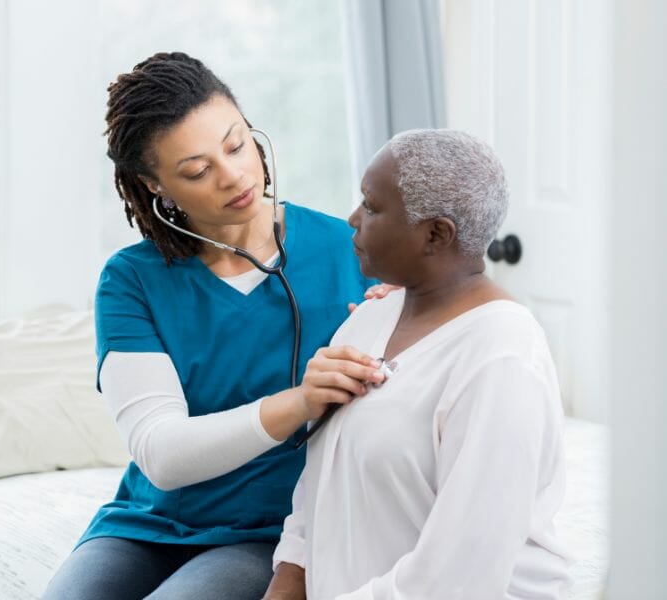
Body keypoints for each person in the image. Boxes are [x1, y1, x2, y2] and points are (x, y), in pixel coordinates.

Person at [43, 52, 390, 600]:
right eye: (197, 171)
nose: (234, 176)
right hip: (148, 526)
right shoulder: (132, 280)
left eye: (236, 144)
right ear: (156, 187)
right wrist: (300, 400)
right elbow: (163, 455)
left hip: (273, 533)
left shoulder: (354, 251)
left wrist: (408, 317)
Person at [264, 129, 572, 600]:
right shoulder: (368, 319)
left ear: (435, 234)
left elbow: (456, 580)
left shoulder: (502, 359)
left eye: (371, 206)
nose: (352, 219)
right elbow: (318, 494)